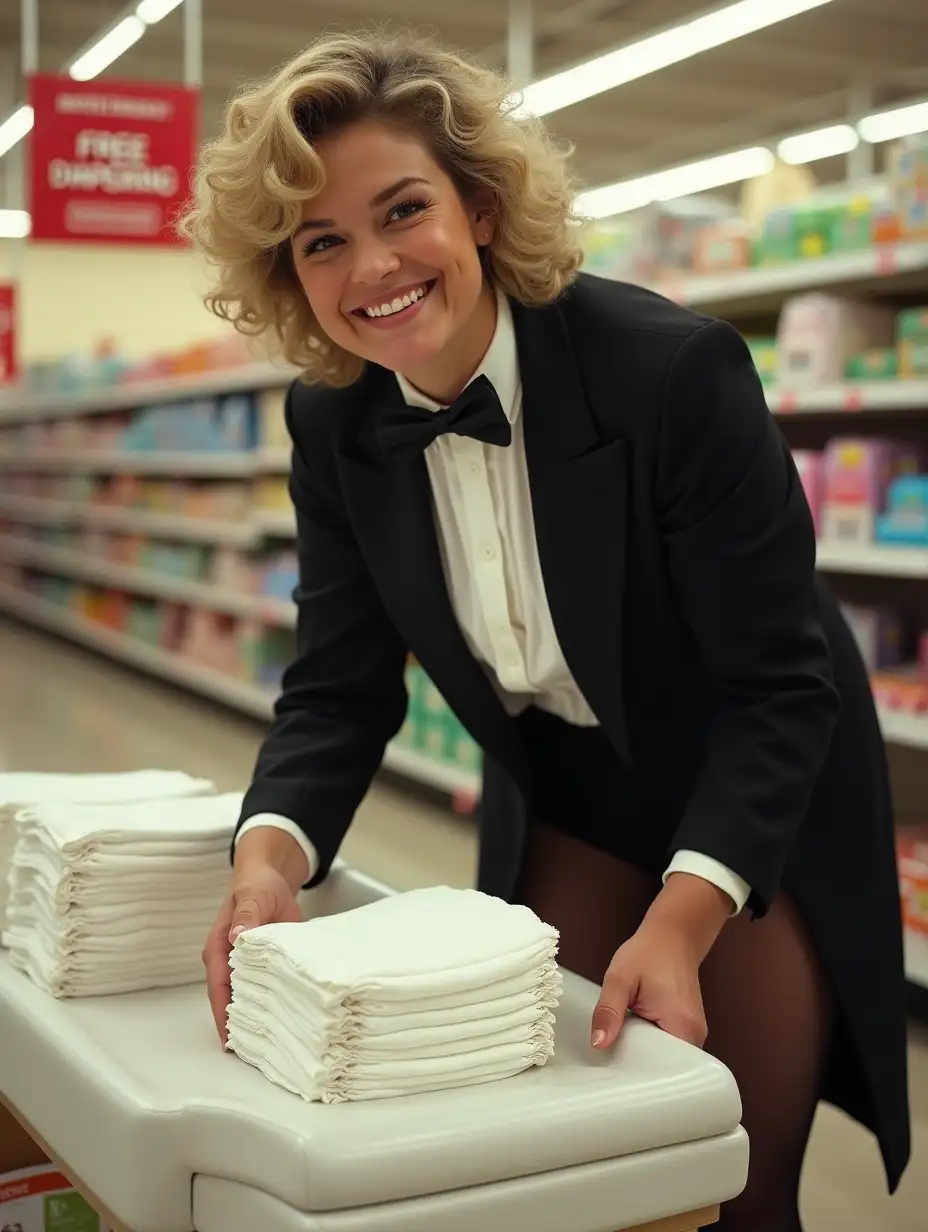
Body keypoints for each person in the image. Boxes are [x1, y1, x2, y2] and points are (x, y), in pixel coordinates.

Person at [182, 29, 910, 1232]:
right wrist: (267, 860)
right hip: (572, 781)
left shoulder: (670, 374)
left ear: (476, 206)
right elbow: (337, 685)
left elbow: (777, 687)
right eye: (323, 242)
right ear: (290, 275)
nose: (371, 265)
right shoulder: (335, 427)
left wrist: (681, 919)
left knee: (735, 1170)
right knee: (562, 1158)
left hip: (752, 775)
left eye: (400, 209)